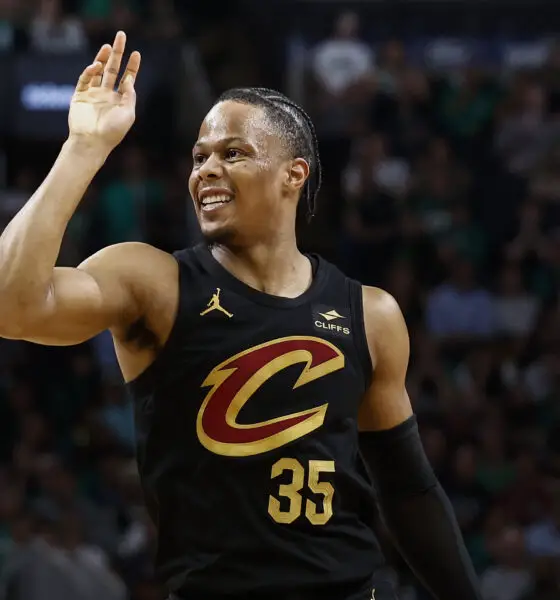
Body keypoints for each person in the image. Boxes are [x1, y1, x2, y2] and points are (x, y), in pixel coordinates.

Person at [0, 32, 482, 600]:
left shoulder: (369, 312)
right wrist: (84, 147)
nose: (206, 170)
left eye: (233, 153)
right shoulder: (152, 281)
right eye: (200, 157)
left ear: (293, 175)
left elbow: (407, 489)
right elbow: (14, 307)